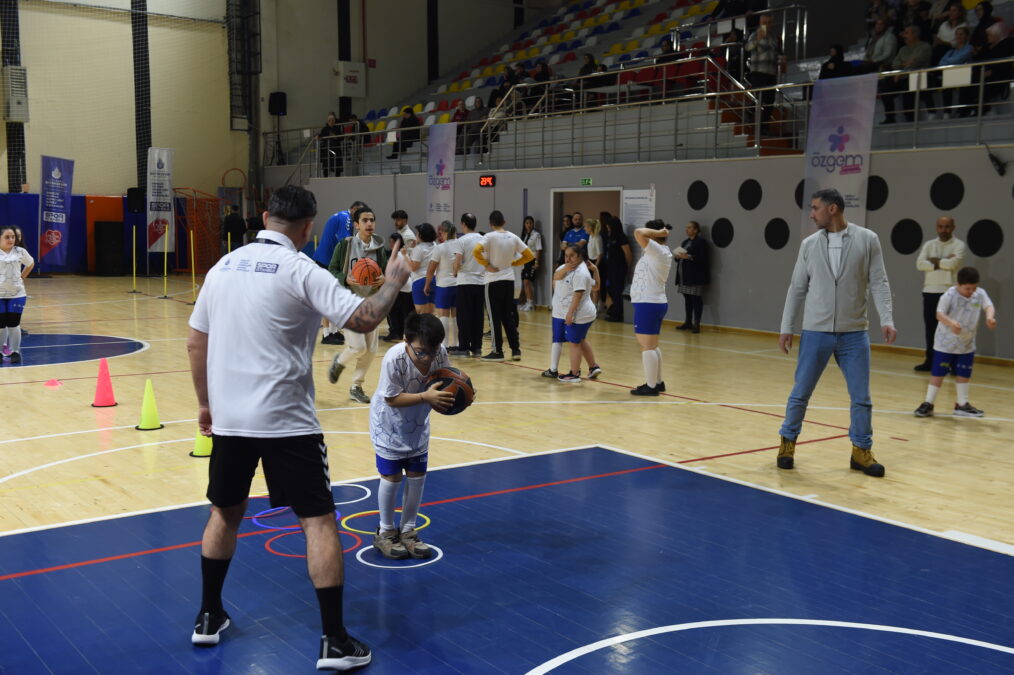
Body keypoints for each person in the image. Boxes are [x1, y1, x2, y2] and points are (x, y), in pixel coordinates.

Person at [186, 185, 411, 669]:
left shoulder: (222, 267)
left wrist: (205, 405)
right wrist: (393, 281)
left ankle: (207, 616)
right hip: (286, 421)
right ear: (308, 227)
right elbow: (365, 318)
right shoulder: (301, 269)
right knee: (318, 521)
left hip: (230, 419)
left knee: (224, 513)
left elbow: (195, 343)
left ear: (266, 215)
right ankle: (334, 640)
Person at [777, 188, 895, 477]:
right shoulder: (808, 245)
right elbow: (797, 288)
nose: (811, 214)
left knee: (861, 397)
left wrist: (887, 319)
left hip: (854, 333)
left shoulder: (868, 239)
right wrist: (786, 327)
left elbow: (879, 281)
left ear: (832, 209)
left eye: (815, 208)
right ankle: (787, 443)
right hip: (815, 331)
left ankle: (861, 451)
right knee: (800, 393)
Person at [369, 313, 455, 559]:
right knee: (392, 477)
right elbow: (391, 398)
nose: (427, 357)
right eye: (420, 352)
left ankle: (408, 530)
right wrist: (426, 397)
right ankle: (385, 531)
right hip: (388, 425)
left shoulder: (439, 353)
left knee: (417, 476)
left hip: (417, 423)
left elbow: (448, 381)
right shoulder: (394, 359)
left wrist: (461, 393)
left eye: (432, 351)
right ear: (406, 341)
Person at [327, 205, 391, 404]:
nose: (369, 223)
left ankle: (356, 386)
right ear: (356, 224)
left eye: (372, 220)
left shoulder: (379, 248)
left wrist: (384, 279)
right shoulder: (344, 245)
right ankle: (339, 361)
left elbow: (386, 273)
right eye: (365, 220)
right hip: (349, 302)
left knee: (370, 350)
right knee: (358, 347)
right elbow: (332, 270)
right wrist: (345, 279)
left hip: (371, 302)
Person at [914, 266, 996, 418]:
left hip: (966, 344)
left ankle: (962, 405)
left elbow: (988, 306)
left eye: (973, 288)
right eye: (967, 289)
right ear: (958, 284)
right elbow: (939, 314)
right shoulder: (949, 295)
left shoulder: (979, 293)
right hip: (946, 344)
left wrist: (990, 317)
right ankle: (928, 403)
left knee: (964, 373)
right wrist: (951, 323)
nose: (971, 291)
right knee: (938, 373)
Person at [472, 210, 534, 361]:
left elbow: (476, 250)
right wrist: (515, 263)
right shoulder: (513, 237)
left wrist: (486, 265)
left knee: (494, 317)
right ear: (504, 222)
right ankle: (516, 350)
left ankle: (497, 351)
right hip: (509, 280)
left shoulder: (489, 236)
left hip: (493, 281)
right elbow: (530, 255)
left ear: (490, 223)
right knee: (508, 316)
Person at [544, 244, 601, 383]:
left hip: (578, 314)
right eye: (566, 255)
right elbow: (556, 277)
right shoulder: (565, 268)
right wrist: (595, 270)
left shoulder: (581, 273)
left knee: (574, 342)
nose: (568, 259)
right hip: (570, 312)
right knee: (580, 339)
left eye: (572, 256)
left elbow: (578, 295)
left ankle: (574, 374)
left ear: (579, 256)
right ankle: (593, 367)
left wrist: (570, 314)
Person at [914, 216, 965, 371]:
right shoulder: (929, 244)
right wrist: (944, 261)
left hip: (950, 292)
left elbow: (953, 264)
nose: (943, 230)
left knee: (951, 329)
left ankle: (952, 364)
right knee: (931, 329)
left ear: (953, 227)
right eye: (941, 226)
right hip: (930, 291)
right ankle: (931, 361)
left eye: (947, 226)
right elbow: (919, 264)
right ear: (937, 227)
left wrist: (934, 261)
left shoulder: (959, 245)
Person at [629, 220, 673, 396]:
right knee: (652, 346)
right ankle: (658, 382)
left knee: (646, 347)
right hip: (653, 302)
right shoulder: (661, 251)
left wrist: (661, 232)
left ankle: (651, 386)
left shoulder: (657, 250)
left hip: (648, 303)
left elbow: (639, 232)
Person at [315, 200, 364, 346]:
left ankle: (333, 330)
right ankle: (326, 334)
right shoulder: (346, 218)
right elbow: (345, 242)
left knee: (334, 297)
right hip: (327, 262)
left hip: (328, 261)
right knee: (328, 298)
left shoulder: (343, 217)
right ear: (353, 209)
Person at [878, 25, 932, 123]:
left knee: (907, 84)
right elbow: (895, 64)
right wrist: (904, 65)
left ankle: (910, 119)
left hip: (917, 76)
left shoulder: (924, 46)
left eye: (907, 33)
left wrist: (903, 69)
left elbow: (917, 62)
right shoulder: (903, 49)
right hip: (901, 76)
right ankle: (890, 117)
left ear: (915, 34)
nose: (904, 36)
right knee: (885, 86)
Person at [744, 13, 786, 134]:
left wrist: (781, 58)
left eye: (769, 22)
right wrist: (758, 39)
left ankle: (764, 127)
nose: (767, 25)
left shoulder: (774, 36)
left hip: (771, 72)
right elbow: (747, 47)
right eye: (764, 22)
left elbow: (777, 52)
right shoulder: (755, 34)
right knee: (759, 97)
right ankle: (749, 111)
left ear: (772, 23)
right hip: (758, 71)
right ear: (760, 23)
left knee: (770, 100)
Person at [425, 221, 462, 351]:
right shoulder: (460, 244)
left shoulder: (440, 248)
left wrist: (427, 284)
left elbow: (431, 269)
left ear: (443, 232)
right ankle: (456, 344)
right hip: (458, 284)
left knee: (443, 315)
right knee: (456, 316)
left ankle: (445, 345)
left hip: (443, 286)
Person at [0, 225, 33, 364]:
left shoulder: (20, 251)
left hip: (17, 294)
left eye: (13, 237)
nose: (11, 239)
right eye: (7, 237)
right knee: (1, 324)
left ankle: (15, 352)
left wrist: (22, 277)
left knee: (14, 324)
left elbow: (30, 263)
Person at [454, 213, 486, 358]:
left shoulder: (461, 240)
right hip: (480, 282)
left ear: (463, 224)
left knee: (464, 316)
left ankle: (464, 347)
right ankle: (477, 347)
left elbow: (457, 262)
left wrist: (455, 271)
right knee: (478, 316)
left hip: (465, 282)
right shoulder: (483, 240)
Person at [383, 209, 416, 342]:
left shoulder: (408, 236)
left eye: (398, 220)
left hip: (403, 280)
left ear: (405, 220)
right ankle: (399, 332)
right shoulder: (401, 235)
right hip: (404, 281)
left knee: (398, 309)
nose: (395, 222)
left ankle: (397, 332)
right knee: (402, 310)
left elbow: (410, 258)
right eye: (394, 220)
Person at [674, 221, 710, 333]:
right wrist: (677, 256)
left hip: (695, 276)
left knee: (696, 299)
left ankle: (696, 324)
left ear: (695, 230)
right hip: (684, 276)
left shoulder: (701, 242)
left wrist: (689, 257)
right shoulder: (685, 242)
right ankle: (688, 322)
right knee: (688, 299)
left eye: (689, 227)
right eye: (686, 227)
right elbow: (679, 257)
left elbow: (703, 258)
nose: (687, 229)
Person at [603, 216, 632, 322]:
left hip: (619, 269)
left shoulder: (621, 237)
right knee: (611, 290)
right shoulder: (610, 236)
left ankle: (618, 315)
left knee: (617, 291)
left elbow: (628, 254)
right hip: (610, 268)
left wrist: (627, 268)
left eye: (609, 224)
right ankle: (614, 310)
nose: (607, 226)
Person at [406, 222, 437, 314]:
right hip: (433, 279)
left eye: (417, 233)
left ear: (421, 235)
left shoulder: (418, 249)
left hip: (420, 281)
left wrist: (405, 255)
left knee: (421, 314)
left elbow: (413, 267)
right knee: (431, 313)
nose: (416, 235)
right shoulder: (434, 245)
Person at [519, 215, 543, 311]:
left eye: (530, 223)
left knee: (527, 282)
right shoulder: (524, 236)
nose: (529, 225)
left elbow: (539, 249)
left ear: (533, 224)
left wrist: (537, 262)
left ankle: (531, 304)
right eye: (527, 223)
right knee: (524, 282)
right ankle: (527, 302)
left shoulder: (536, 235)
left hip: (532, 260)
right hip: (524, 261)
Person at [317, 111, 343, 177]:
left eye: (332, 120)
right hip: (327, 150)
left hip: (336, 150)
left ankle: (337, 178)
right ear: (328, 121)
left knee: (337, 165)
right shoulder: (324, 129)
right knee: (326, 165)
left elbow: (342, 137)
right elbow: (321, 135)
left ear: (334, 121)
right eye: (329, 120)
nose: (331, 122)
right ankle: (325, 178)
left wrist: (335, 136)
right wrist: (318, 136)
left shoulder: (337, 128)